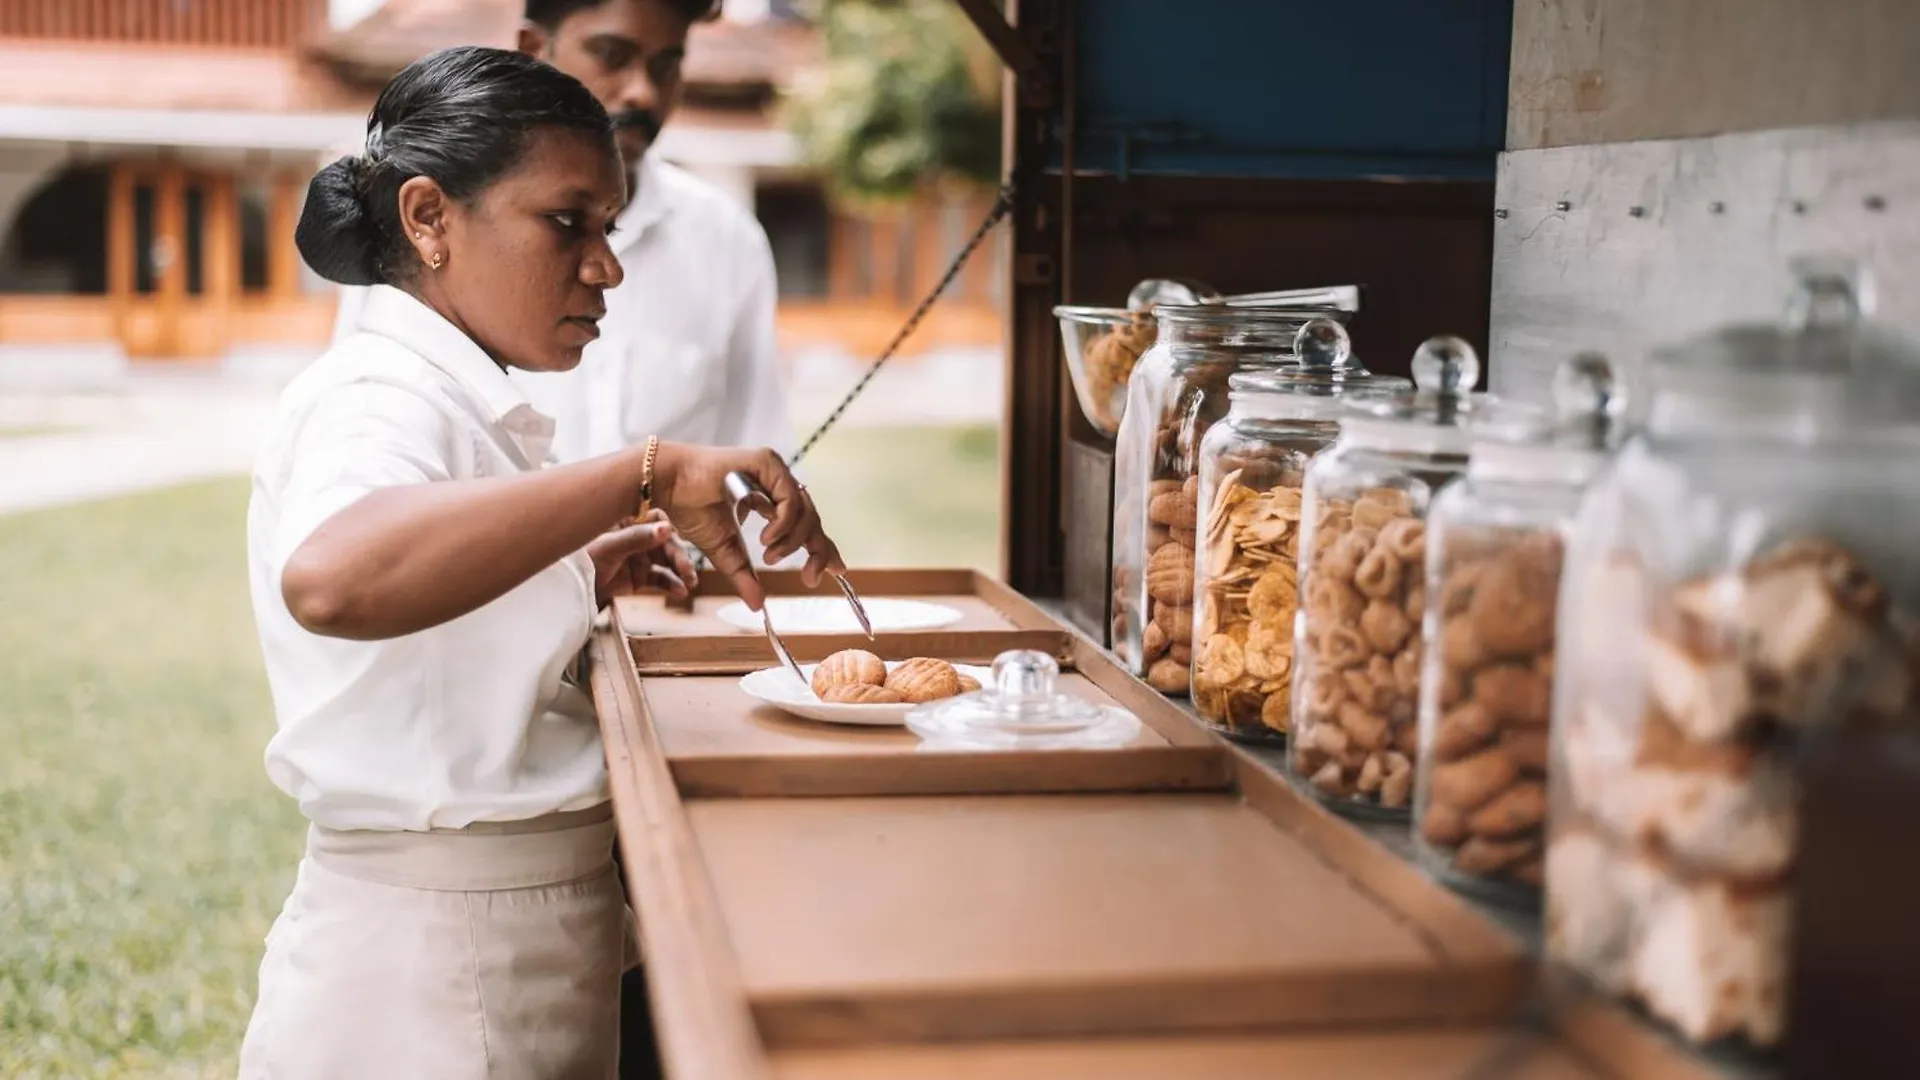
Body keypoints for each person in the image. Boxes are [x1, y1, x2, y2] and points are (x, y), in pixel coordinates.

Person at [238, 45, 841, 1079]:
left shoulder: (459, 396)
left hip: (494, 954)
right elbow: (334, 578)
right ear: (429, 218)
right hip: (433, 985)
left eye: (608, 227)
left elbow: (428, 611)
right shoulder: (378, 396)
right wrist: (639, 473)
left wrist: (573, 570)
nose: (605, 264)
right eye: (568, 223)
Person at [330, 0, 794, 478]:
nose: (643, 93)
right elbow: (364, 465)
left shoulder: (725, 239)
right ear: (533, 50)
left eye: (666, 66)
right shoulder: (427, 240)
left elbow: (756, 460)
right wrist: (621, 491)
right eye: (612, 55)